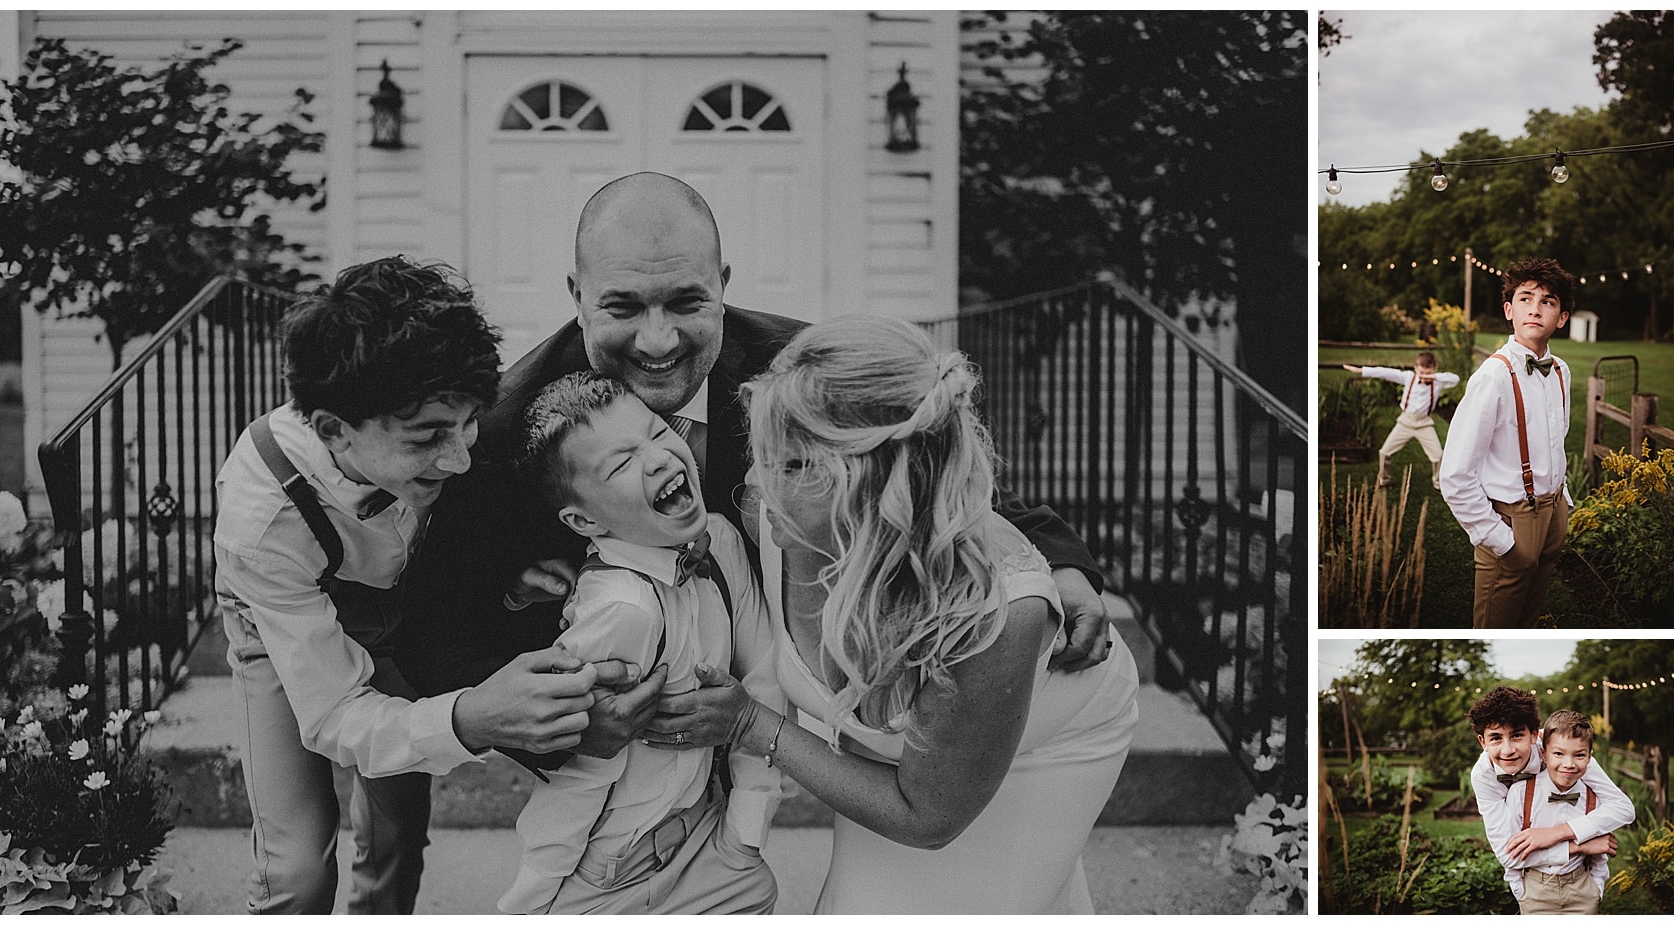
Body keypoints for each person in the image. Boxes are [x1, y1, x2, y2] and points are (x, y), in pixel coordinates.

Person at [397, 171, 1115, 770]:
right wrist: (541, 721)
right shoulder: (503, 430)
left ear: (723, 285)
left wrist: (1063, 565)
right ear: (577, 296)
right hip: (611, 763)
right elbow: (436, 621)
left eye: (686, 301)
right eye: (622, 306)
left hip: (788, 709)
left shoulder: (797, 366)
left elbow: (934, 469)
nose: (657, 338)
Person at [678, 315, 1142, 913]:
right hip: (914, 765)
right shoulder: (770, 507)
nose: (763, 484)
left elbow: (925, 817)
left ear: (877, 484)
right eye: (768, 457)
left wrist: (747, 724)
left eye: (793, 467)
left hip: (1052, 744)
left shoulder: (993, 612)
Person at [213, 257, 628, 913]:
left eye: (467, 423)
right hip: (282, 629)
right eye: (429, 437)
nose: (461, 457)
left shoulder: (452, 430)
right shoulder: (262, 517)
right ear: (332, 429)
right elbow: (336, 711)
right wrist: (470, 714)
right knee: (296, 872)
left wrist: (512, 575)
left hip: (401, 610)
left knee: (398, 831)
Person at [496, 372, 782, 914]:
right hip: (607, 871)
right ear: (584, 520)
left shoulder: (719, 539)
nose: (657, 458)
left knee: (758, 895)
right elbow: (581, 766)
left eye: (656, 432)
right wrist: (534, 896)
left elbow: (763, 676)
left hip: (708, 842)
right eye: (622, 463)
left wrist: (745, 834)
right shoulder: (620, 608)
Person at [1438, 258, 1575, 628]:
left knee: (1528, 620)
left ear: (1561, 318)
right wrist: (1496, 538)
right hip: (1511, 519)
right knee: (1496, 623)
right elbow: (1454, 474)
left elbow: (1555, 441)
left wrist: (1563, 501)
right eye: (1526, 298)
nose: (1536, 308)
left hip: (1553, 513)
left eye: (1548, 301)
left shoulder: (1561, 371)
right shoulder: (1493, 377)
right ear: (1509, 310)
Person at [1466, 688, 1631, 912]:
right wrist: (1579, 847)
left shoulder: (1564, 749)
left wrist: (1556, 833)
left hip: (1580, 887)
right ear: (1482, 742)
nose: (1508, 750)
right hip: (1536, 890)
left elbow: (1623, 808)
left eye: (1516, 735)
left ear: (1535, 735)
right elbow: (1509, 854)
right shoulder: (1483, 776)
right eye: (1496, 738)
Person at [1341, 351, 1460, 490]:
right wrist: (1361, 370)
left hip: (1424, 423)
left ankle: (1438, 483)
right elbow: (1384, 372)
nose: (1424, 377)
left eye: (1428, 373)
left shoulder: (1439, 382)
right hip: (1405, 422)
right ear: (1416, 368)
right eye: (1421, 372)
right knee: (1384, 453)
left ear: (1434, 370)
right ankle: (1384, 480)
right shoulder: (1408, 377)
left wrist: (1432, 377)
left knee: (1438, 456)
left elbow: (1455, 379)